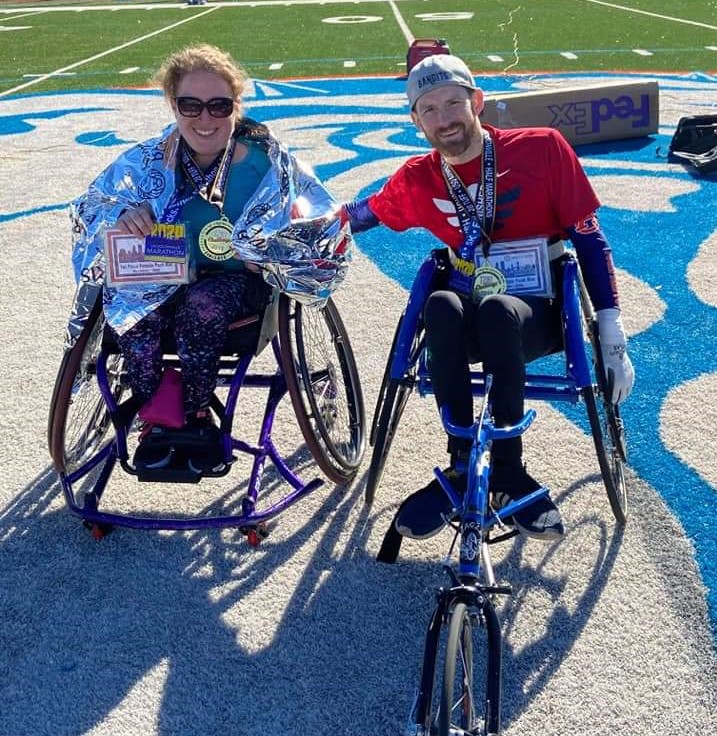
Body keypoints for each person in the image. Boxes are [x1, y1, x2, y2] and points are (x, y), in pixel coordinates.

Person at [341, 54, 635, 542]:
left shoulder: (542, 148)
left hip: (534, 311)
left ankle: (508, 469)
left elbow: (588, 237)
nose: (444, 119)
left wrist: (611, 327)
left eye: (453, 103)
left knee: (498, 310)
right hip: (463, 316)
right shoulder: (418, 177)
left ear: (477, 102)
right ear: (415, 121)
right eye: (429, 109)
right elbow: (361, 212)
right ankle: (460, 465)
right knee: (440, 305)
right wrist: (306, 222)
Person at [69, 44, 339, 474]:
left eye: (219, 106)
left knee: (202, 305)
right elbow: (92, 206)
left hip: (238, 278)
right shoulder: (148, 160)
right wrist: (122, 216)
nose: (205, 119)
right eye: (190, 105)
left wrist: (275, 253)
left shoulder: (268, 162)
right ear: (172, 106)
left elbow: (319, 218)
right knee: (133, 321)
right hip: (168, 263)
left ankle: (195, 414)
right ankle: (157, 413)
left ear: (236, 106)